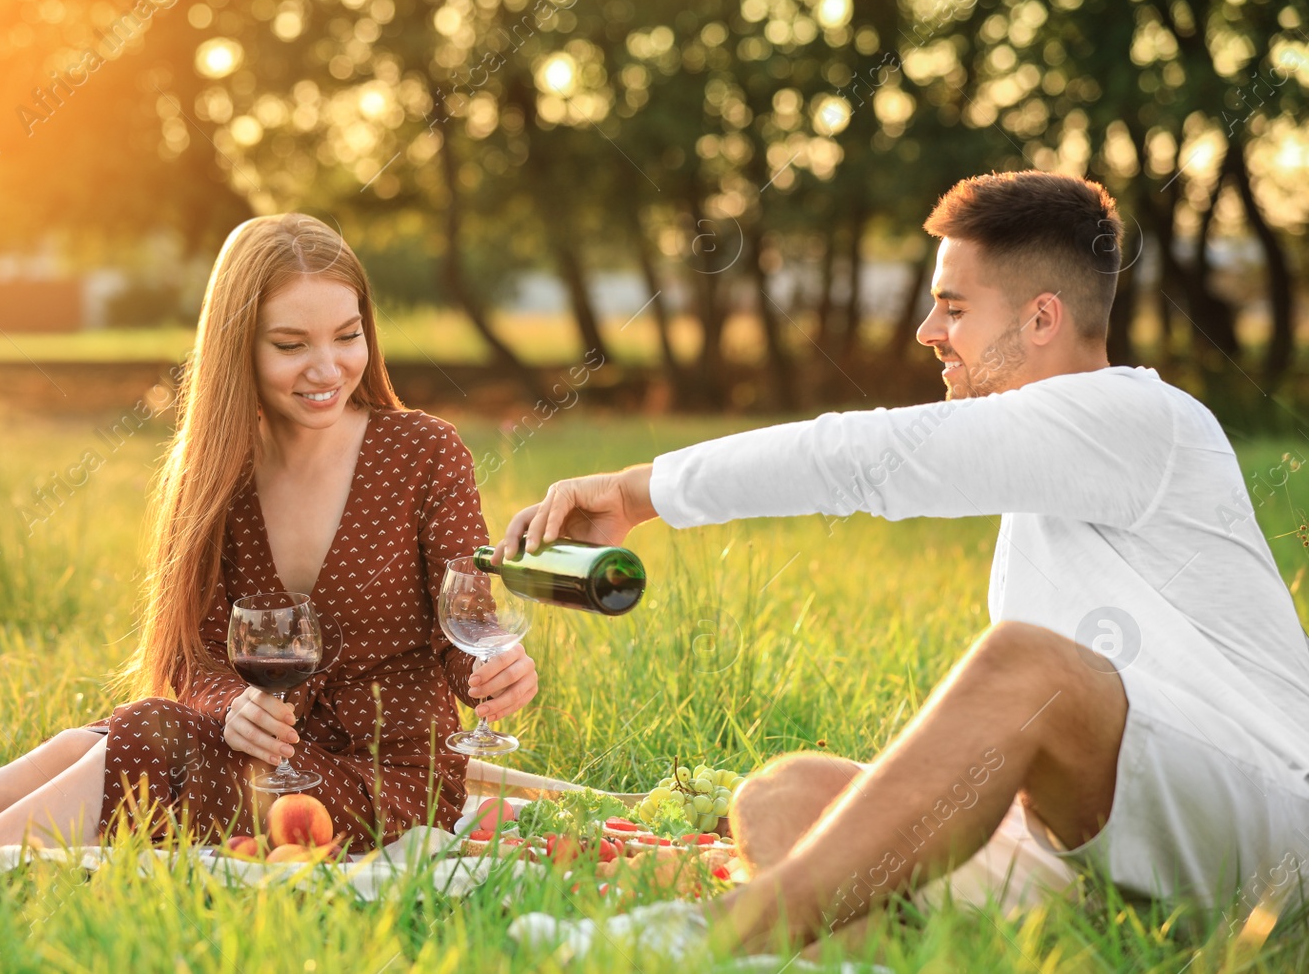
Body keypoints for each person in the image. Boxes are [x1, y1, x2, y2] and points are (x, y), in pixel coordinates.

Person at [498, 171, 1309, 951]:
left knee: (1028, 667)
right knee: (784, 796)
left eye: (953, 308)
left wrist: (642, 492)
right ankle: (856, 954)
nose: (928, 331)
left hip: (1263, 838)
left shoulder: (1145, 420)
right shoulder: (1046, 477)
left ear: (1041, 319)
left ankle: (713, 934)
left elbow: (866, 457)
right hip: (1097, 853)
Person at [0, 214, 539, 908]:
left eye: (348, 334)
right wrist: (231, 705)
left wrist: (501, 666)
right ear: (240, 347)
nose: (327, 367)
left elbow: (463, 628)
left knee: (148, 734)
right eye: (291, 344)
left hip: (386, 783)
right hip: (267, 757)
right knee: (84, 743)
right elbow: (193, 651)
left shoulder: (425, 453)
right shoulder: (221, 472)